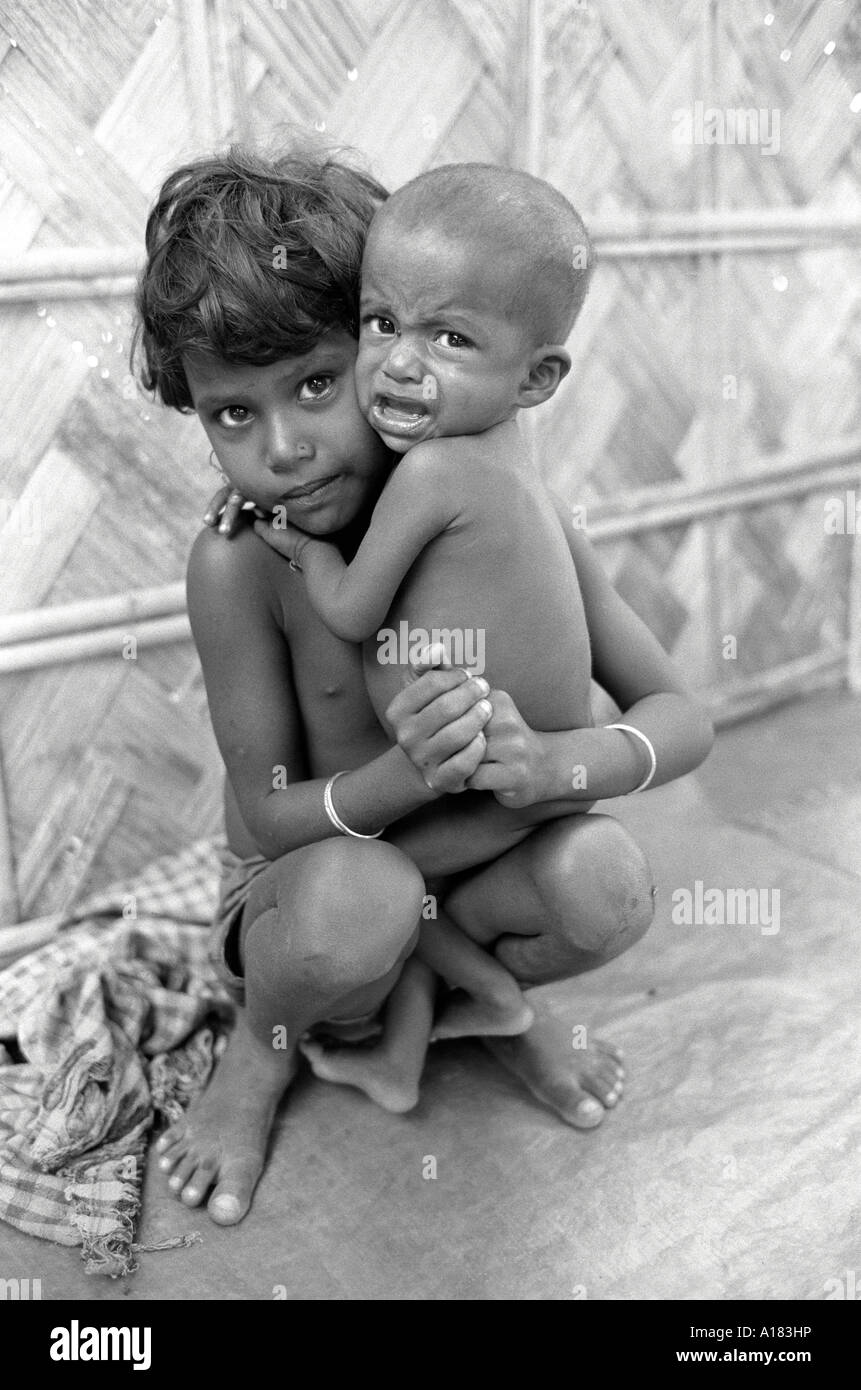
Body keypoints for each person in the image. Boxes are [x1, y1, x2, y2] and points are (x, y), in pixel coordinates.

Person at [134, 146, 714, 1226]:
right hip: (308, 884)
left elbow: (677, 713)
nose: (285, 449)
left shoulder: (494, 510)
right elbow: (263, 817)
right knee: (363, 898)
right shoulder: (242, 562)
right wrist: (406, 775)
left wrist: (554, 763)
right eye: (231, 416)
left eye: (315, 383)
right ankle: (263, 1054)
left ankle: (470, 1002)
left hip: (470, 863)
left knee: (604, 876)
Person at [250, 163, 616, 1104]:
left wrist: (297, 547)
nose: (400, 365)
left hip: (489, 775)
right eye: (381, 324)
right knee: (396, 885)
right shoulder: (507, 457)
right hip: (533, 769)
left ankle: (495, 1000)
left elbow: (350, 612)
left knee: (384, 887)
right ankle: (413, 1048)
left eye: (449, 337)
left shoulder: (430, 477)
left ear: (536, 379)